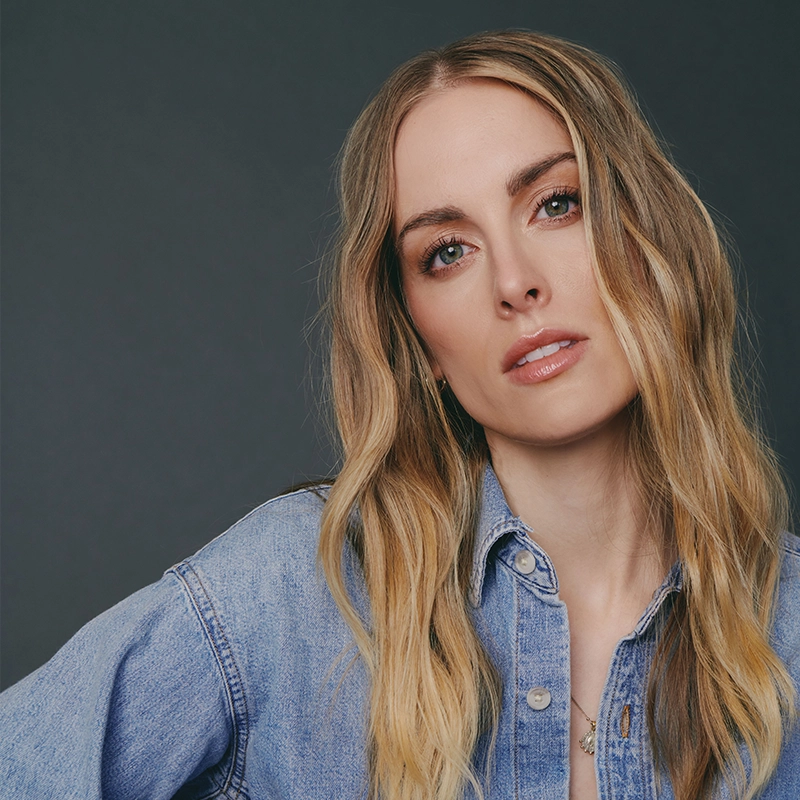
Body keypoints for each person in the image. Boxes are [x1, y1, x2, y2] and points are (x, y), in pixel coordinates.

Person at [1, 29, 798, 800]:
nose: (515, 284)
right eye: (447, 252)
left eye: (556, 204)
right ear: (413, 333)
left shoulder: (788, 621)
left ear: (648, 233)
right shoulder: (295, 599)